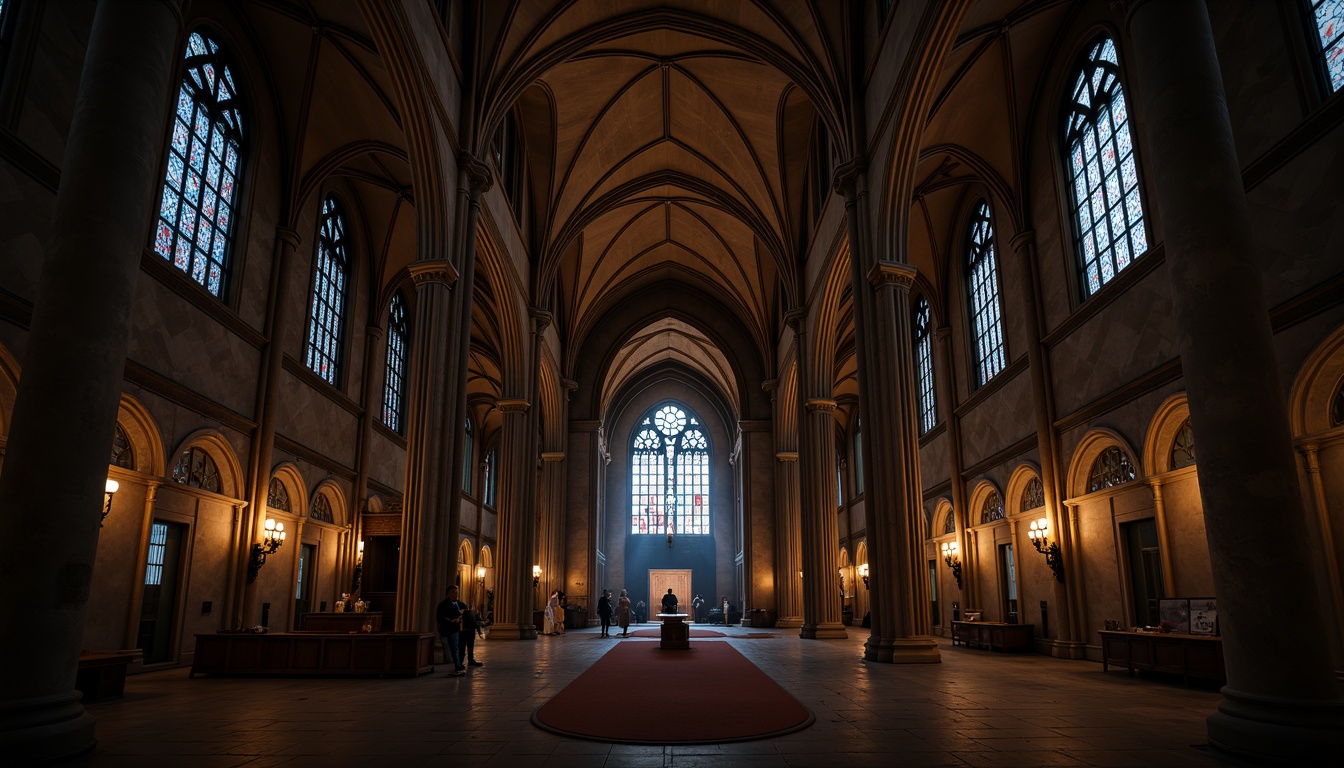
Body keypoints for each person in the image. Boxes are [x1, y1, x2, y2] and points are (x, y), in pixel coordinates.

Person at [435, 585, 467, 676]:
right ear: (448, 594)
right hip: (451, 629)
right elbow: (439, 617)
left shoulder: (460, 604)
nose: (455, 594)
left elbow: (464, 613)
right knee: (454, 648)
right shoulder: (443, 605)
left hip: (461, 629)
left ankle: (459, 663)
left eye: (456, 592)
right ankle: (458, 666)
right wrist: (450, 621)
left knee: (460, 647)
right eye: (452, 592)